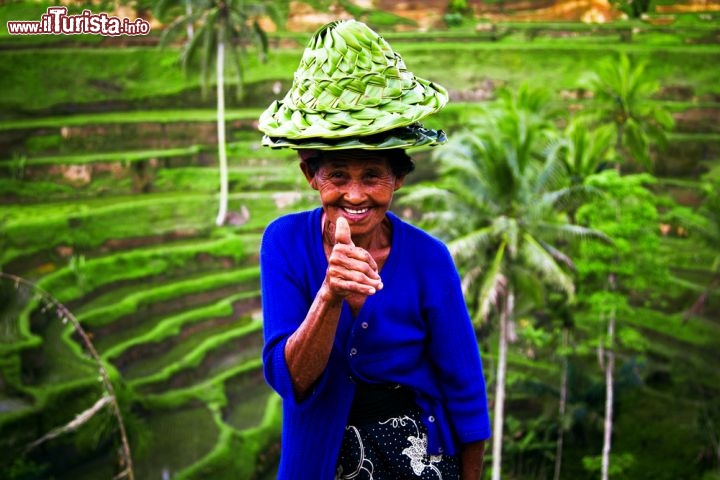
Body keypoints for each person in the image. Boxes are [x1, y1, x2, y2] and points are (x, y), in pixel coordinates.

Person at [258, 19, 491, 480]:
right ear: (312, 176)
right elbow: (291, 381)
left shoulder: (429, 259)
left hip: (418, 461)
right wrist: (329, 294)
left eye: (373, 176)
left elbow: (466, 394)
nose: (356, 195)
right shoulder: (284, 243)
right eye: (338, 175)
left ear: (399, 177)